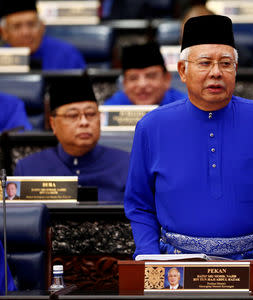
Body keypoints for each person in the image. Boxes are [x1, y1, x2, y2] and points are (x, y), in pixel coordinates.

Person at [124, 15, 253, 294]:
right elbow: (139, 205)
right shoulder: (151, 127)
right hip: (176, 272)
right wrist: (149, 257)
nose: (216, 72)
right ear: (182, 71)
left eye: (225, 63)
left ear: (236, 69)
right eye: (205, 63)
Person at [14, 75, 130, 203]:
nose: (84, 122)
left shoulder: (127, 165)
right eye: (73, 115)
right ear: (53, 124)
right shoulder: (28, 169)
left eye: (91, 114)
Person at [0, 0, 86, 70]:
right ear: (4, 33)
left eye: (31, 24)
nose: (26, 32)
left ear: (42, 27)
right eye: (17, 26)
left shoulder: (66, 55)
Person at [103, 43, 186, 106]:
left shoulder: (184, 106)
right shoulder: (113, 107)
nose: (142, 84)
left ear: (167, 79)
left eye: (151, 76)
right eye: (133, 78)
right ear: (124, 83)